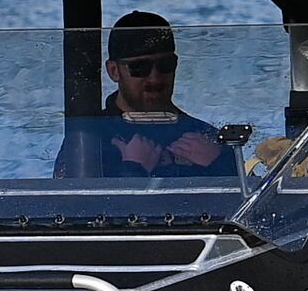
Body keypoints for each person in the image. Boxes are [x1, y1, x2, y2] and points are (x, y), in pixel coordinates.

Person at [61, 10, 240, 181]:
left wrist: (219, 164)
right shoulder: (88, 140)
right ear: (114, 71)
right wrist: (133, 168)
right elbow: (73, 206)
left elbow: (244, 203)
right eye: (139, 68)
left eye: (165, 65)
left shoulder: (205, 137)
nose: (154, 78)